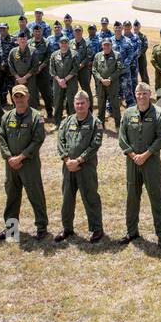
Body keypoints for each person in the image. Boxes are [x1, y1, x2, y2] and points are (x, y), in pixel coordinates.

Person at [118, 82, 161, 247]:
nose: (141, 96)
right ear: (135, 95)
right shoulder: (128, 113)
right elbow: (122, 137)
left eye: (144, 93)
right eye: (138, 93)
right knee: (132, 198)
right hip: (132, 162)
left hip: (151, 162)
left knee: (156, 197)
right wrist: (133, 155)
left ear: (150, 94)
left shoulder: (159, 114)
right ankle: (131, 231)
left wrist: (146, 155)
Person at [0, 84, 49, 241]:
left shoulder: (36, 117)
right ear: (12, 98)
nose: (19, 99)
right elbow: (2, 138)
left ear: (28, 96)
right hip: (11, 164)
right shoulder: (7, 117)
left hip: (29, 164)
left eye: (22, 96)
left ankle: (41, 227)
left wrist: (20, 158)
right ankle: (11, 228)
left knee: (35, 194)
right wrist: (9, 158)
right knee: (12, 196)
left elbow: (38, 140)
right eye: (16, 96)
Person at [55, 89, 105, 243]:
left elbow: (95, 144)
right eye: (77, 103)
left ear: (88, 104)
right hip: (68, 166)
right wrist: (66, 159)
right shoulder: (67, 121)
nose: (80, 106)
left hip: (86, 167)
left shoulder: (95, 123)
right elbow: (60, 141)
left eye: (83, 103)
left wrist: (79, 160)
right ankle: (67, 228)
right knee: (67, 198)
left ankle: (97, 229)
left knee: (90, 197)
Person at [90, 37, 123, 127]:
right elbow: (94, 69)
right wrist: (101, 79)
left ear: (111, 45)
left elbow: (119, 69)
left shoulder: (117, 55)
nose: (106, 46)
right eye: (105, 45)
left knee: (115, 105)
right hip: (101, 84)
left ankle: (118, 125)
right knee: (101, 105)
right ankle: (100, 125)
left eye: (108, 44)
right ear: (102, 46)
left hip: (112, 84)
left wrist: (110, 79)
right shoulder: (97, 55)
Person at [48, 35, 80, 124]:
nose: (64, 45)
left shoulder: (74, 54)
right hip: (57, 82)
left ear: (68, 44)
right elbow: (52, 69)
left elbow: (75, 69)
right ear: (59, 44)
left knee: (71, 101)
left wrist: (65, 80)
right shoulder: (54, 55)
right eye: (62, 43)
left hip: (71, 81)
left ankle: (72, 121)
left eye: (66, 43)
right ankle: (57, 121)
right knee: (57, 101)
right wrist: (59, 80)